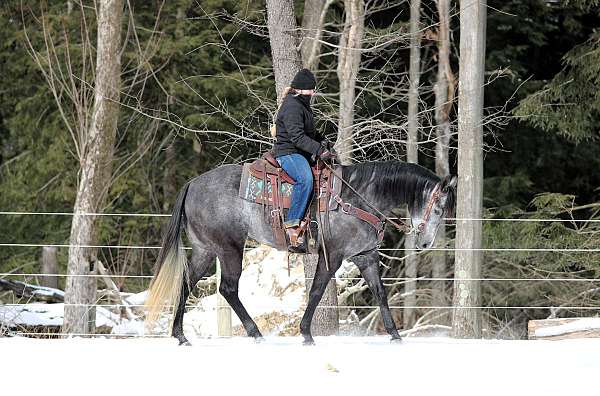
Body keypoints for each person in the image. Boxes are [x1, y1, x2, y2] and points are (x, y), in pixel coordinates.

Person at [273, 68, 337, 247]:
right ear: (301, 89)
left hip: (300, 152)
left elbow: (309, 132)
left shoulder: (302, 105)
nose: (313, 92)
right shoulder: (292, 106)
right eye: (311, 89)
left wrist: (323, 141)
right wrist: (317, 149)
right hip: (288, 152)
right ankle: (291, 224)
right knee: (305, 179)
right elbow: (297, 137)